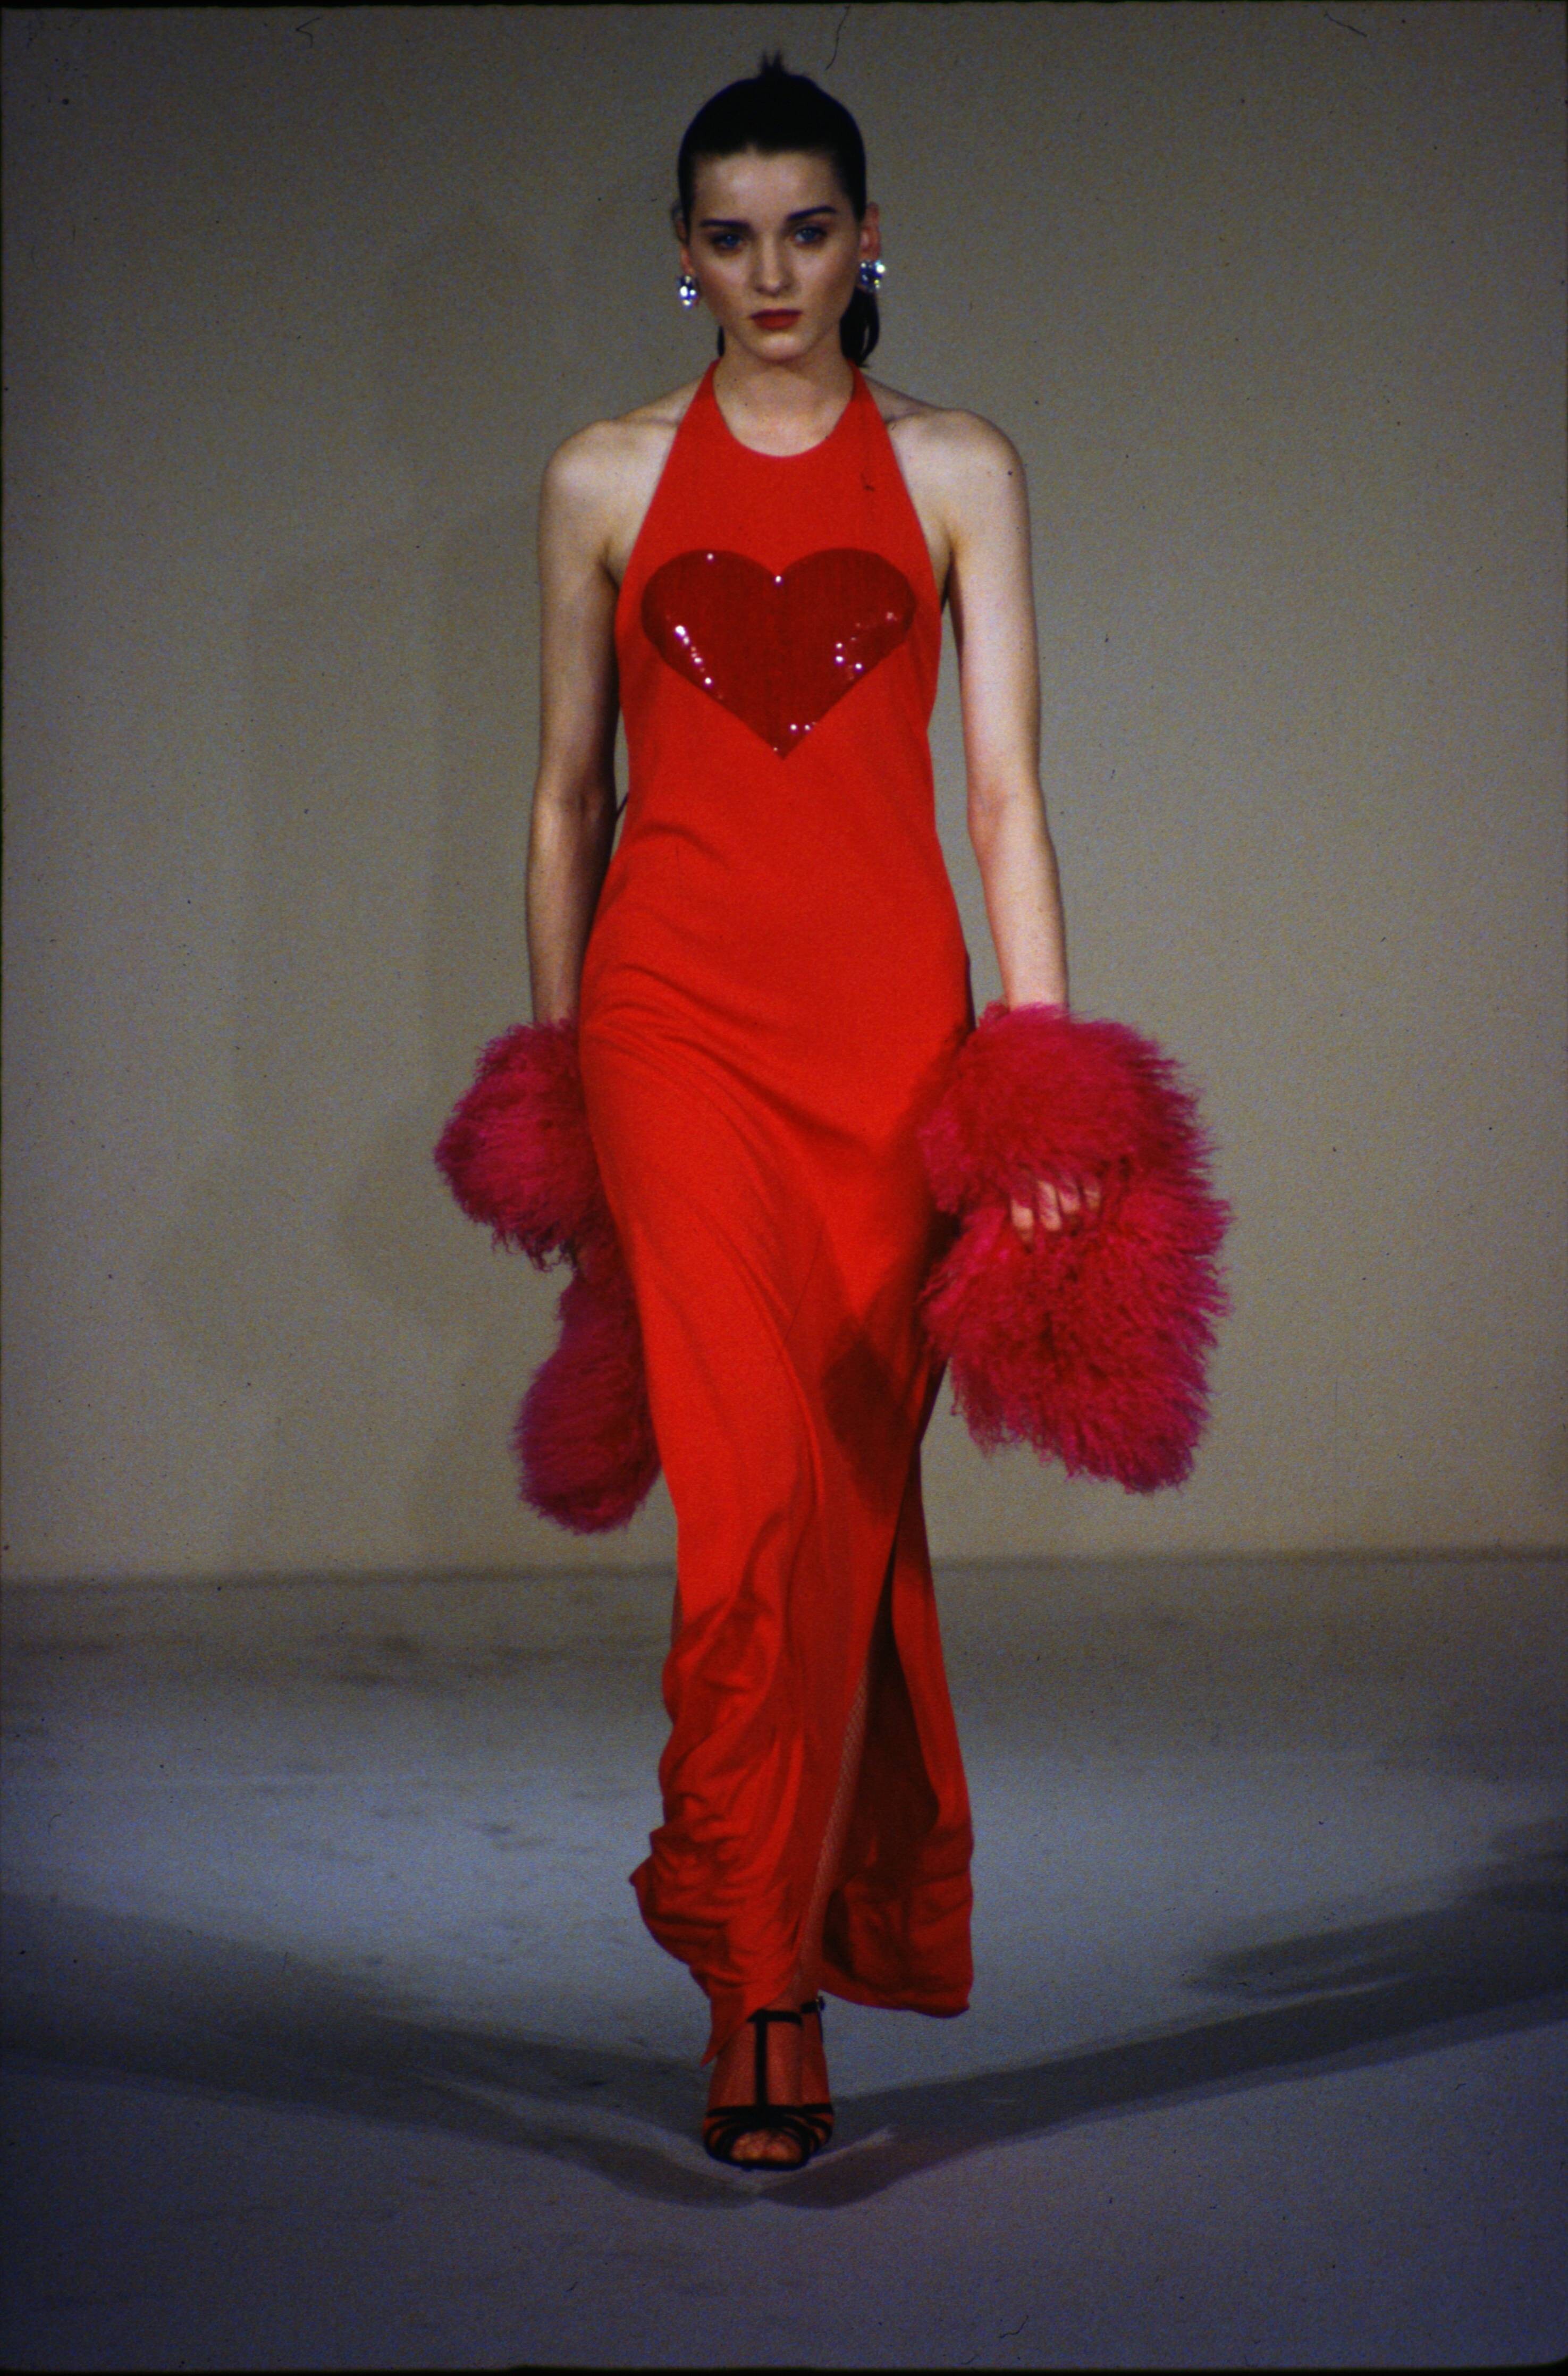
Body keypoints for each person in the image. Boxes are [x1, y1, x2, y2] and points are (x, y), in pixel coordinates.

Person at [525, 54, 1101, 2169]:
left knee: (846, 1503)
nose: (773, 270)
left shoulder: (958, 467)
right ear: (687, 256)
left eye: (808, 228)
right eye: (732, 234)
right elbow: (567, 802)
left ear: (869, 238)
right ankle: (755, 1986)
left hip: (888, 1048)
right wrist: (560, 1085)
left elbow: (1006, 796)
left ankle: (798, 1931)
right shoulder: (604, 475)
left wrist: (1040, 1089)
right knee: (747, 1510)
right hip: (670, 1029)